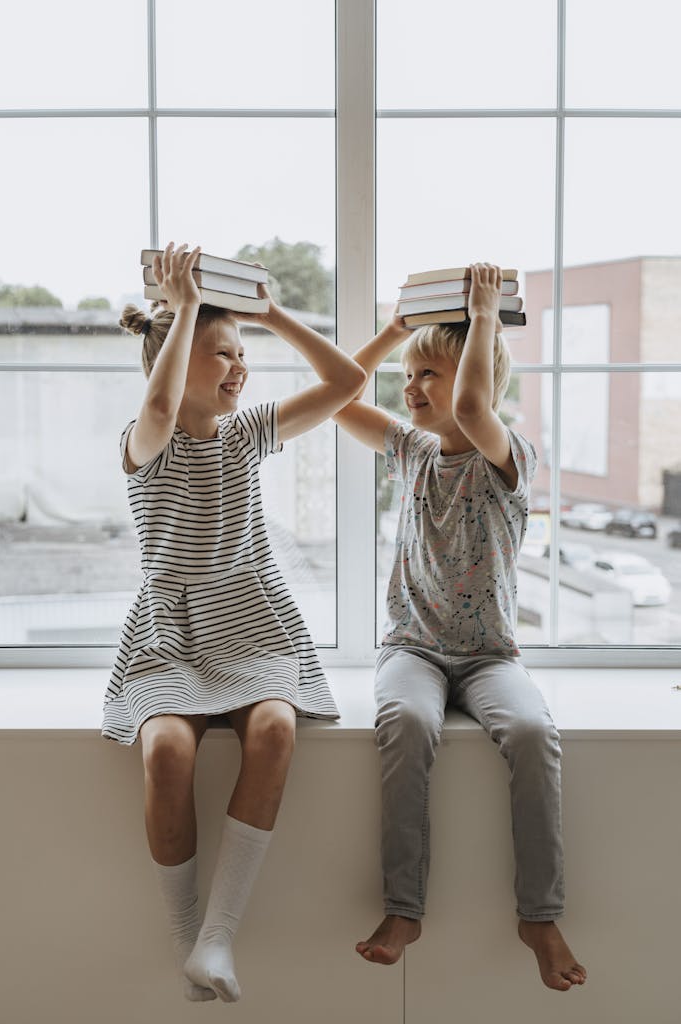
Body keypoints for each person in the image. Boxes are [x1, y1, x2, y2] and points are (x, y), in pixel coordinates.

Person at [101, 242, 366, 1003]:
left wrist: (269, 313)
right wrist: (185, 308)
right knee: (167, 754)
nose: (239, 366)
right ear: (174, 362)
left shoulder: (248, 433)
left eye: (241, 353)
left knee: (276, 730)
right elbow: (158, 408)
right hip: (170, 626)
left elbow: (346, 383)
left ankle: (219, 935)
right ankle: (187, 940)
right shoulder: (143, 442)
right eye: (222, 354)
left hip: (250, 615)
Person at [333, 263, 587, 992]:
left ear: (476, 375)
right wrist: (393, 332)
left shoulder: (508, 458)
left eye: (428, 376)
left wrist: (481, 318)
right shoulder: (409, 450)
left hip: (488, 657)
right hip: (412, 648)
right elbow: (338, 396)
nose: (411, 389)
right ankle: (402, 907)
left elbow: (474, 406)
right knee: (406, 723)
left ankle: (537, 913)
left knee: (535, 734)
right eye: (409, 375)